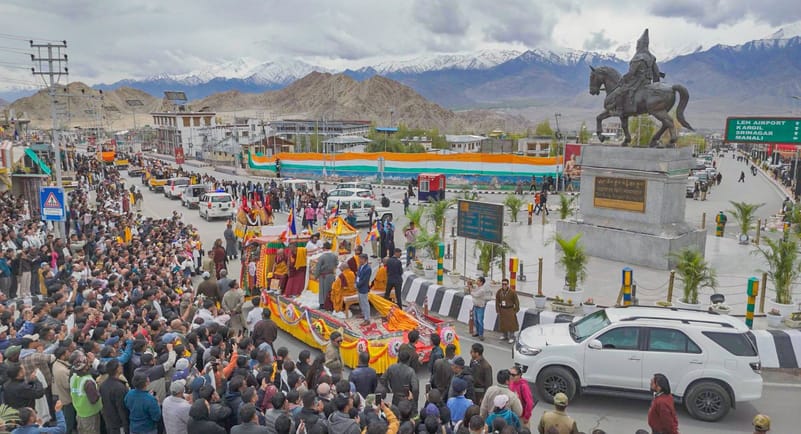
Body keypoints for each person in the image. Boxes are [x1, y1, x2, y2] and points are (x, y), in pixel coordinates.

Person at [608, 29, 662, 117]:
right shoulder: (651, 57)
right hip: (648, 82)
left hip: (637, 83)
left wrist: (623, 79)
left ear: (639, 45)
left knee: (619, 92)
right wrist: (656, 85)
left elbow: (631, 73)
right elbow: (656, 73)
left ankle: (619, 110)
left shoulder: (638, 58)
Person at [69, 351, 103, 434]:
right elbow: (94, 399)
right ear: (85, 367)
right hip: (90, 414)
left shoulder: (73, 377)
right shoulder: (88, 382)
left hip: (80, 412)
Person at [99, 359, 130, 434]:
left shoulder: (103, 385)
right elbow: (122, 409)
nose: (122, 366)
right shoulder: (119, 387)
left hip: (109, 421)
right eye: (120, 365)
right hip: (119, 424)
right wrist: (126, 426)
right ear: (117, 369)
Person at [313, 241, 337, 310]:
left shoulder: (322, 257)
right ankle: (330, 303)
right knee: (330, 290)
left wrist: (316, 276)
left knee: (323, 291)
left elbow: (318, 268)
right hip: (331, 275)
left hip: (324, 276)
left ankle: (322, 304)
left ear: (324, 248)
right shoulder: (334, 256)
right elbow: (336, 264)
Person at [495, 279, 519, 343]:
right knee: (503, 323)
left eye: (505, 284)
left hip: (510, 309)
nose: (504, 285)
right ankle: (504, 335)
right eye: (503, 284)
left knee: (511, 324)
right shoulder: (499, 291)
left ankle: (512, 337)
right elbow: (497, 301)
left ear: (508, 284)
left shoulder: (512, 292)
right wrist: (497, 309)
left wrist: (516, 310)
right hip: (502, 309)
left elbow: (516, 301)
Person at [471, 277, 494, 341]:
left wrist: (471, 290)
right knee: (475, 321)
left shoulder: (482, 290)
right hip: (475, 306)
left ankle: (481, 334)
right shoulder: (477, 287)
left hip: (480, 307)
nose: (476, 281)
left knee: (480, 321)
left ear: (481, 282)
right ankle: (477, 332)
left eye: (478, 281)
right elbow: (473, 290)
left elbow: (475, 295)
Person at [355, 253, 372, 326]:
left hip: (363, 287)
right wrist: (356, 283)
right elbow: (358, 275)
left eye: (361, 259)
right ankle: (363, 313)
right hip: (359, 287)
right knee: (360, 302)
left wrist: (357, 284)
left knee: (365, 303)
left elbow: (365, 280)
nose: (359, 260)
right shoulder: (360, 266)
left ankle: (367, 319)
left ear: (365, 259)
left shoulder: (368, 268)